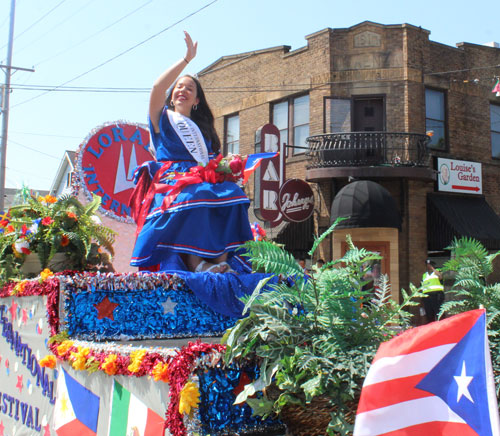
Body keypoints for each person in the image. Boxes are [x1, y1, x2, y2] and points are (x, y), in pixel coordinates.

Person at [130, 31, 253, 273]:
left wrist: (228, 166)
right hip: (173, 180)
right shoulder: (162, 120)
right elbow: (157, 87)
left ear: (196, 100)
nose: (183, 90)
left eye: (189, 88)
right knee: (193, 198)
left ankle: (221, 261)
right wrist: (186, 60)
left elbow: (211, 161)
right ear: (172, 96)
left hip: (203, 177)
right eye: (179, 87)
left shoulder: (204, 131)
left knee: (233, 195)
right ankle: (197, 265)